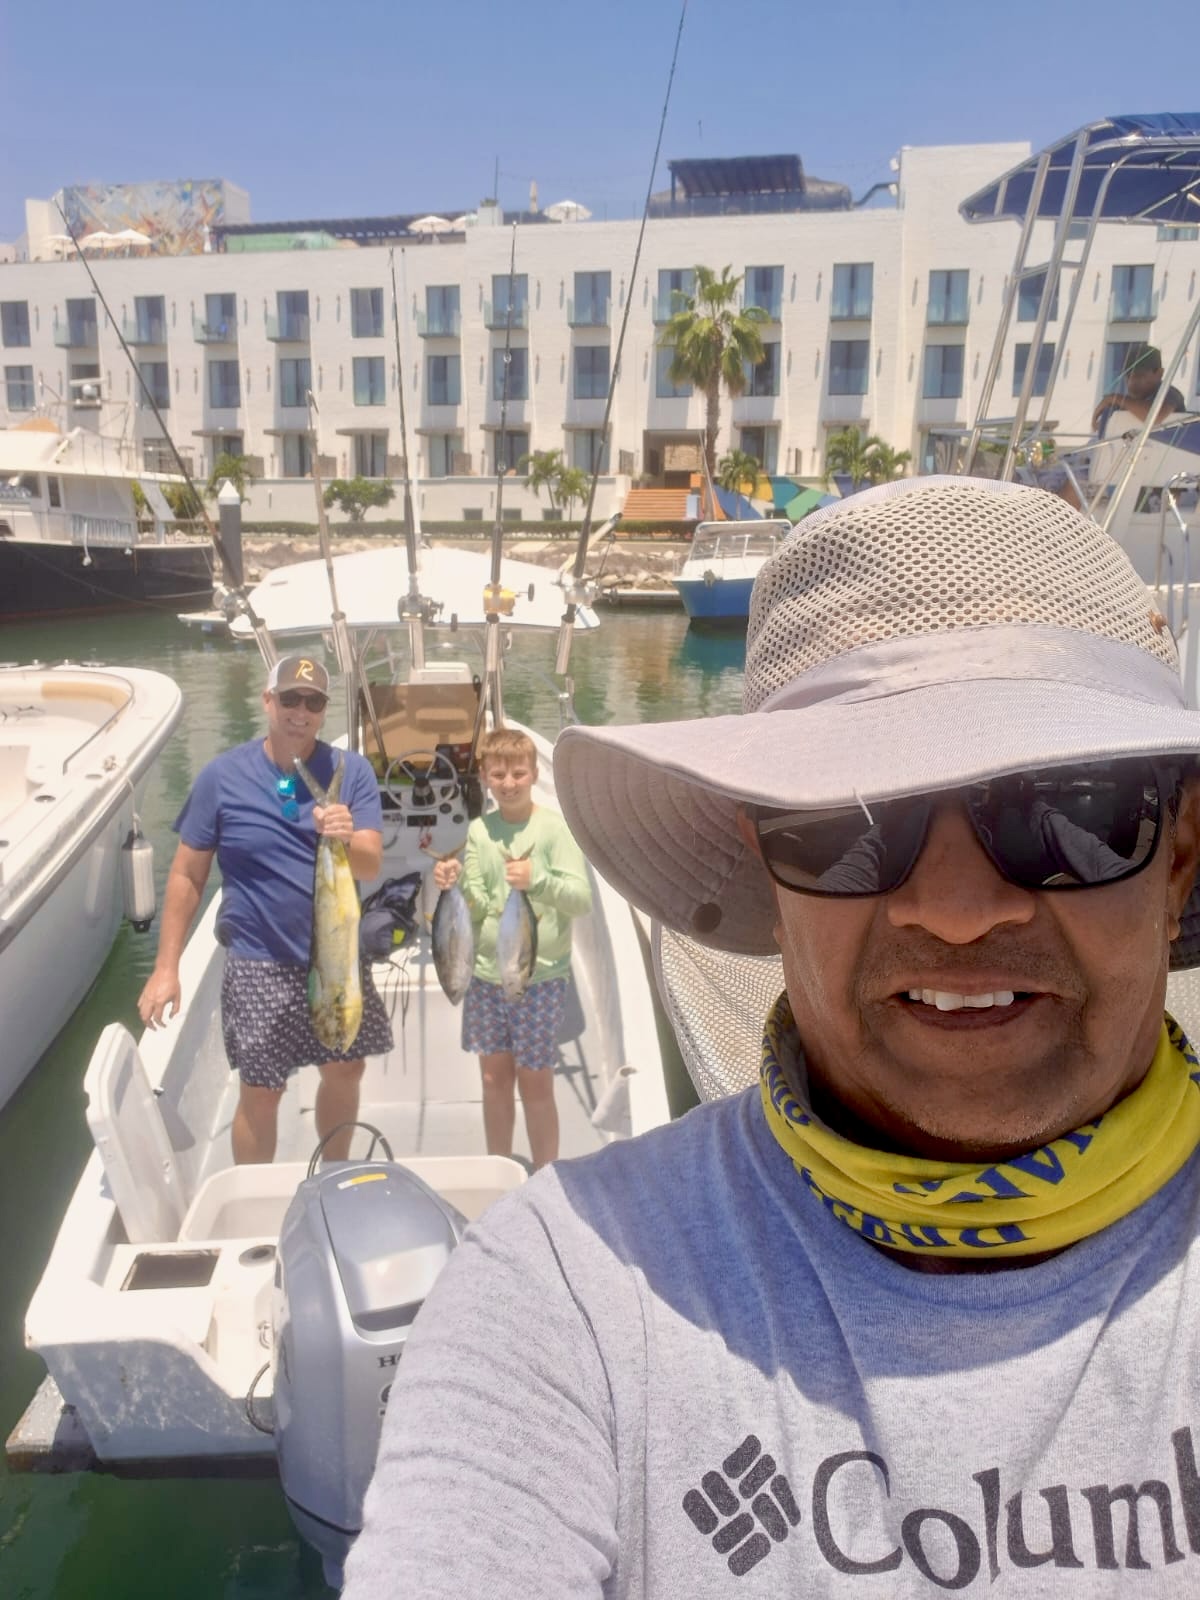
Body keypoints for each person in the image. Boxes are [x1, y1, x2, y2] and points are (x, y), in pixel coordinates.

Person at [343, 478, 1200, 1596]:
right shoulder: (569, 1289)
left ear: (1183, 847)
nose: (955, 907)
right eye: (847, 822)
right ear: (762, 856)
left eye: (1072, 807)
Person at [138, 652, 392, 1164]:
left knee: (345, 1069)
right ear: (267, 700)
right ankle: (257, 1194)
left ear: (324, 710)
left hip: (336, 955)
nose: (301, 711)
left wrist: (344, 835)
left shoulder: (352, 770)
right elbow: (188, 875)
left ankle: (334, 1175)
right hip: (258, 960)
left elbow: (368, 866)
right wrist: (166, 968)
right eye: (290, 699)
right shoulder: (221, 777)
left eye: (314, 702)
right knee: (261, 1089)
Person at [431, 726, 591, 1169]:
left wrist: (535, 880)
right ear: (484, 776)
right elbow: (478, 908)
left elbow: (581, 899)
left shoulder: (554, 830)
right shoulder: (481, 832)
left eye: (518, 773)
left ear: (533, 773)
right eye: (498, 774)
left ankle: (545, 1174)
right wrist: (454, 882)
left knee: (535, 1081)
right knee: (492, 1078)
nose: (508, 782)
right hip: (485, 976)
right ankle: (496, 1166)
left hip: (538, 978)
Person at [1091, 341, 1185, 437]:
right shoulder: (1124, 403)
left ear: (1159, 373)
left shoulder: (1170, 393)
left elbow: (1155, 416)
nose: (1132, 382)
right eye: (1128, 376)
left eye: (1139, 376)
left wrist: (1113, 398)